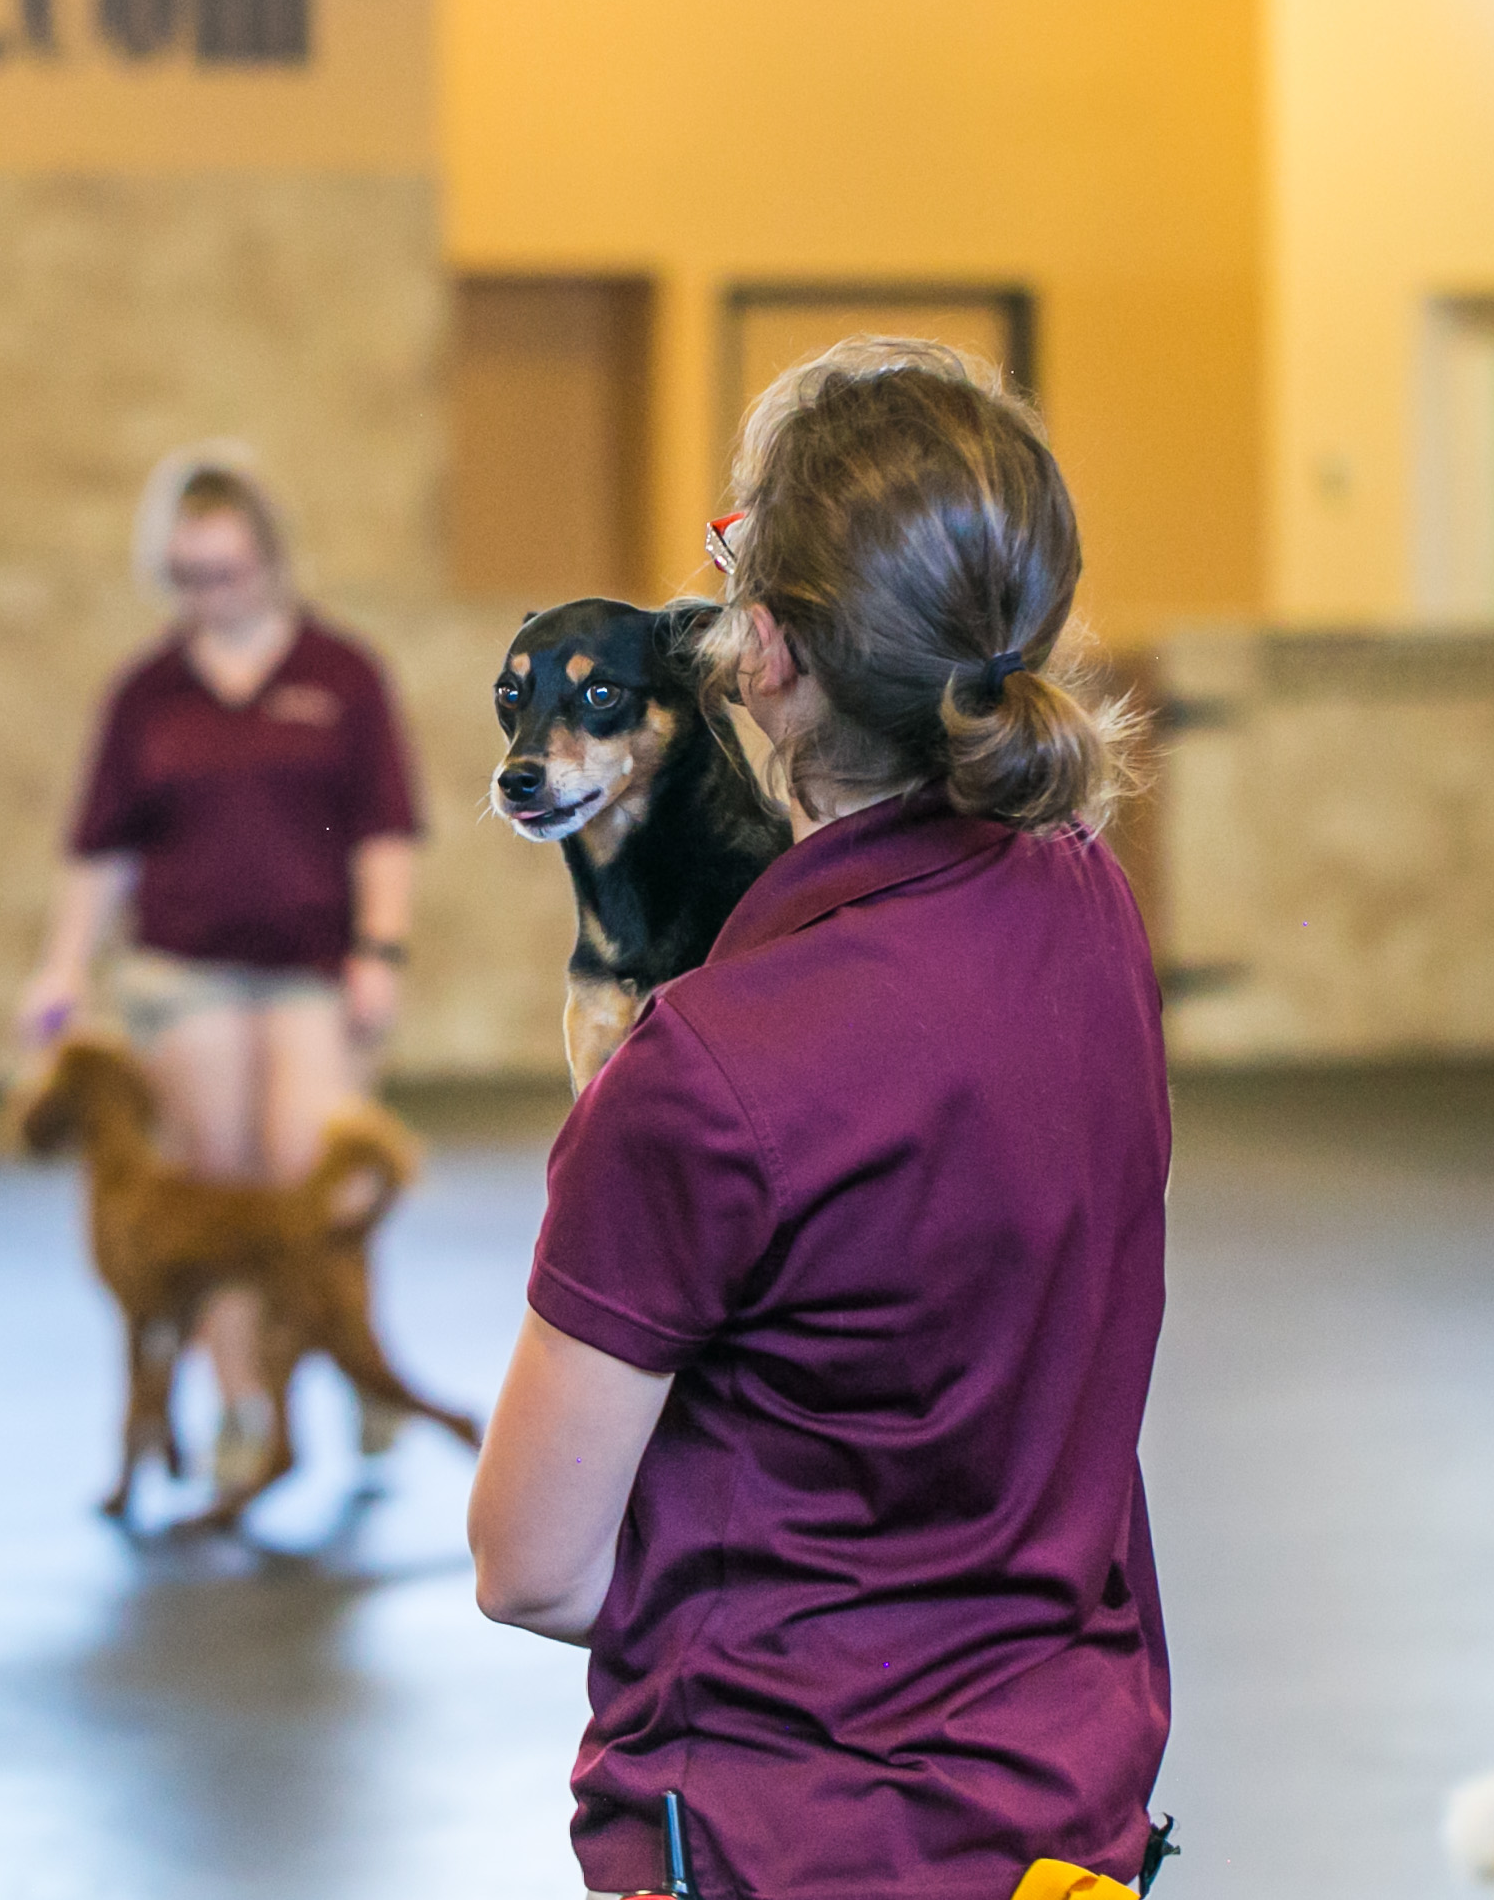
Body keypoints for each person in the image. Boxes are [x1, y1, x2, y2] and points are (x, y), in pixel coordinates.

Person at [467, 339, 1173, 1899]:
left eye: (728, 556)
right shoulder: (1091, 909)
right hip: (1065, 1808)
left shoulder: (701, 1075)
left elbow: (529, 1562)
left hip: (791, 1835)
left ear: (763, 652)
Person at [21, 447, 423, 1488]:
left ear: (270, 559)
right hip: (181, 967)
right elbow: (100, 847)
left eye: (230, 571)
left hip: (310, 968)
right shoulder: (146, 693)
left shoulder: (342, 675)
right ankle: (247, 1406)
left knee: (314, 1171)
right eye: (190, 576)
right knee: (215, 1191)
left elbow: (384, 828)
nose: (213, 594)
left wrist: (379, 949)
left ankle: (356, 1370)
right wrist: (61, 967)